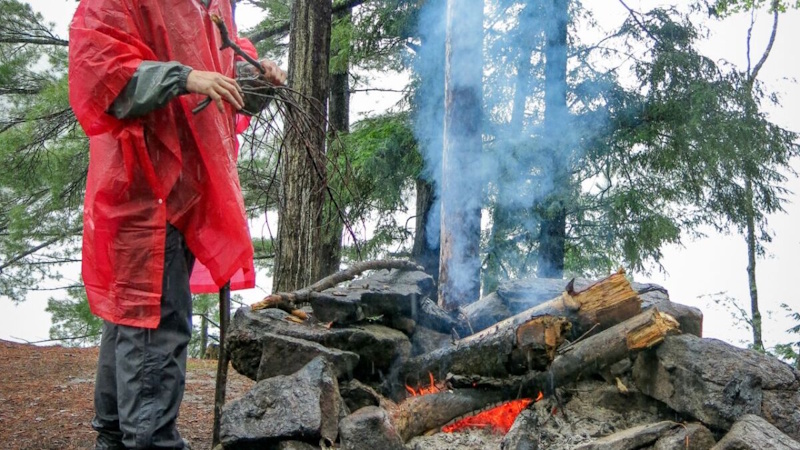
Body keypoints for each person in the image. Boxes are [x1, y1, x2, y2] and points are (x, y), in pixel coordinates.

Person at [68, 1, 286, 448]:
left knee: (132, 316)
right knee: (152, 320)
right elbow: (100, 73)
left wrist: (258, 78)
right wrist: (182, 77)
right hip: (141, 192)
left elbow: (223, 79)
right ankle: (150, 441)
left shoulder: (212, 6)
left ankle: (114, 437)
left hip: (186, 190)